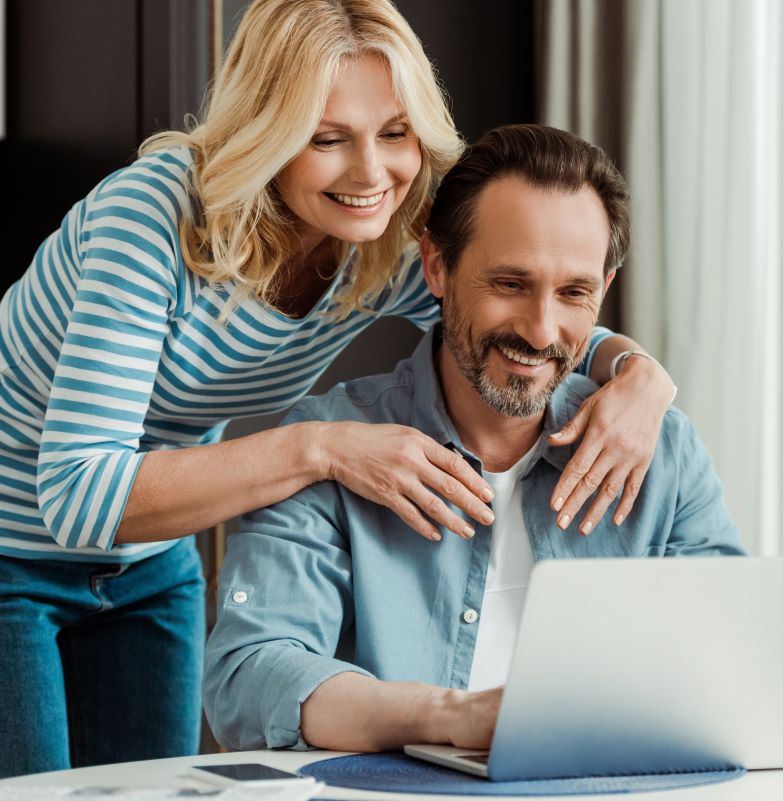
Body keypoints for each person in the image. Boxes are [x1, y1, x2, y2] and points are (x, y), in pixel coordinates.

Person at [0, 0, 676, 778]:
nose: (371, 173)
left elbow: (519, 322)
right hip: (13, 551)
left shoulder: (383, 240)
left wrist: (639, 375)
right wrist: (321, 447)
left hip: (152, 557)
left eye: (395, 133)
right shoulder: (150, 220)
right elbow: (78, 495)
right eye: (327, 138)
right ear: (266, 131)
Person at [202, 124, 744, 752]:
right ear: (437, 266)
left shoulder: (661, 447)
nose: (541, 332)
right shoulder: (327, 446)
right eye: (510, 285)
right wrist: (443, 716)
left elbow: (731, 659)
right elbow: (250, 677)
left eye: (574, 293)